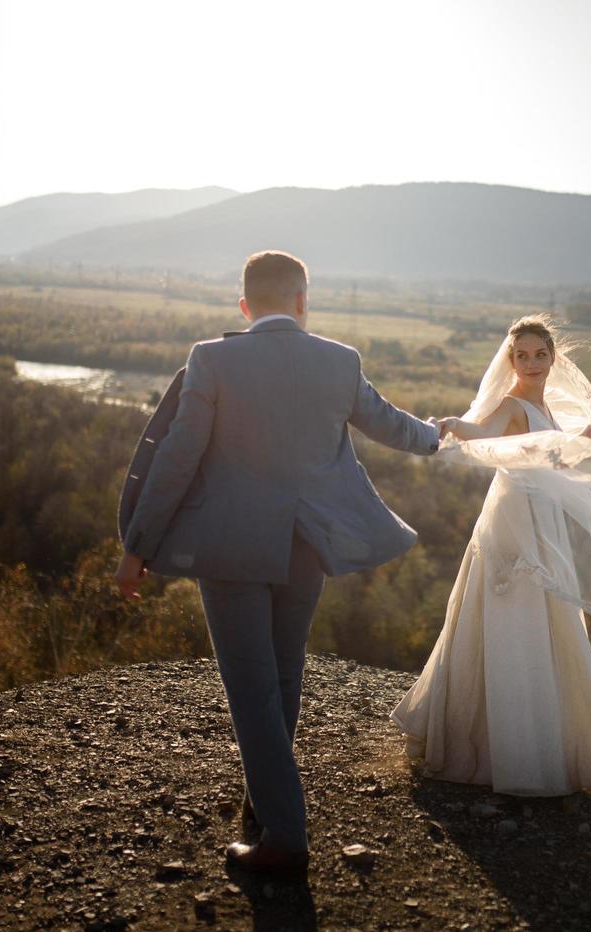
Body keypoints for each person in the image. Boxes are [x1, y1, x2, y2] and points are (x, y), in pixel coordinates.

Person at [115, 250, 440, 879]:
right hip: (308, 544)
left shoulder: (212, 357)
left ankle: (285, 835)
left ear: (244, 306)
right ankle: (268, 796)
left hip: (231, 548)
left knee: (249, 684)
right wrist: (440, 434)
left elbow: (177, 458)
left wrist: (137, 545)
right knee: (283, 674)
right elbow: (394, 427)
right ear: (302, 301)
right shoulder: (340, 360)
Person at [393, 314, 591, 796]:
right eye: (522, 355)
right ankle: (511, 753)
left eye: (540, 355)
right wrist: (454, 425)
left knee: (548, 613)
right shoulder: (513, 404)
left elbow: (544, 454)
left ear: (553, 359)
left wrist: (579, 443)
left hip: (543, 519)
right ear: (510, 360)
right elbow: (483, 429)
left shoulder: (546, 408)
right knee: (514, 613)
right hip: (515, 519)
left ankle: (543, 745)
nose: (531, 363)